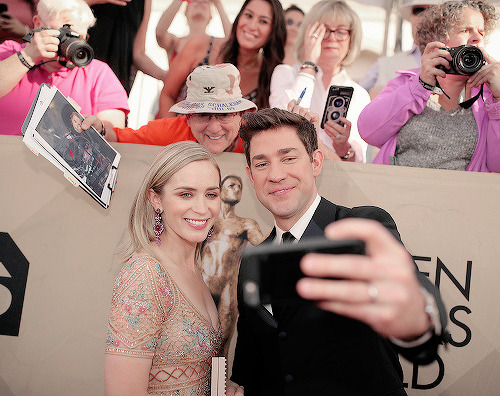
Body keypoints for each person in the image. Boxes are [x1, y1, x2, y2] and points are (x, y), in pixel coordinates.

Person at [227, 108, 448, 395]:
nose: (276, 174)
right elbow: (250, 361)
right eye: (262, 164)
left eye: (289, 158)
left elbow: (413, 300)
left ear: (316, 162)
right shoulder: (252, 262)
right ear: (250, 176)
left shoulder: (360, 228)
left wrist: (416, 316)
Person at [105, 140, 223, 395]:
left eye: (211, 194)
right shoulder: (146, 274)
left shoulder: (193, 266)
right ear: (156, 199)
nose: (202, 208)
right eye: (186, 194)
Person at [358, 0, 500, 172]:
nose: (477, 37)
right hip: (396, 194)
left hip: (460, 197)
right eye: (465, 30)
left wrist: (499, 100)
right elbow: (368, 131)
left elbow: (496, 166)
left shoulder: (488, 97)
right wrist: (420, 86)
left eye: (481, 32)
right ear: (437, 40)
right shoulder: (406, 83)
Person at [0, 0, 129, 136]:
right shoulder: (10, 52)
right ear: (38, 24)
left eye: (78, 37)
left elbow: (116, 135)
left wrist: (100, 131)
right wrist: (28, 56)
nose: (69, 44)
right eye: (62, 34)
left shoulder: (99, 74)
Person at [269, 0, 371, 163]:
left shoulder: (359, 94)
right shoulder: (286, 73)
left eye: (341, 31)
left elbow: (359, 163)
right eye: (324, 30)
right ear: (309, 33)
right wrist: (309, 65)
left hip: (336, 181)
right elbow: (280, 121)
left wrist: (343, 147)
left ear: (351, 38)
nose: (331, 38)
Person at [82, 63, 257, 154]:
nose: (213, 127)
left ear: (241, 115)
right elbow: (119, 138)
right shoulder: (170, 131)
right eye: (203, 115)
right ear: (188, 117)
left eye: (223, 114)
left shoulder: (257, 137)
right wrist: (99, 128)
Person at [156, 0, 286, 118]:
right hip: (181, 140)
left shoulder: (272, 74)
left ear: (273, 30)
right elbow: (168, 95)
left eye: (263, 21)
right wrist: (174, 141)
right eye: (248, 15)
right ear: (239, 17)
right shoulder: (201, 45)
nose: (252, 26)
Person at [200, 174, 265, 357]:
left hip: (227, 289)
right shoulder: (206, 221)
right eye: (231, 185)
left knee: (221, 346)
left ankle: (219, 386)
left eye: (239, 187)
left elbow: (266, 249)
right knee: (196, 343)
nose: (236, 189)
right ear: (219, 190)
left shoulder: (246, 224)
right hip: (202, 286)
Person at [359, 0, 443, 99]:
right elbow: (354, 102)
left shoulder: (459, 63)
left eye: (433, 11)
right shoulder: (384, 64)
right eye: (419, 10)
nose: (425, 16)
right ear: (411, 17)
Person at [85, 0, 167, 95]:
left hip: (113, 86)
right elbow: (68, 8)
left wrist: (167, 76)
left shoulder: (145, 2)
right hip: (81, 71)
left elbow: (138, 54)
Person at [155, 0, 231, 64]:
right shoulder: (175, 42)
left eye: (205, 1)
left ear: (211, 15)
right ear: (185, 13)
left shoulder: (217, 44)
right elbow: (160, 33)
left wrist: (218, 3)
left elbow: (234, 42)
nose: (200, 2)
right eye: (194, 0)